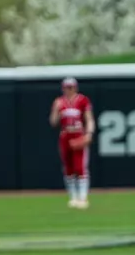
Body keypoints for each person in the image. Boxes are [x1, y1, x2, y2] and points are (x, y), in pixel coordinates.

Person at [49, 77, 95, 209]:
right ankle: (73, 197)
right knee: (68, 168)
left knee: (80, 167)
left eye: (71, 87)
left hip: (78, 133)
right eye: (66, 87)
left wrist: (89, 134)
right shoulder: (60, 102)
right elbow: (53, 122)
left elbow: (89, 118)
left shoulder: (82, 100)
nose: (69, 90)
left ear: (75, 87)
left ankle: (83, 198)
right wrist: (55, 110)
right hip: (65, 135)